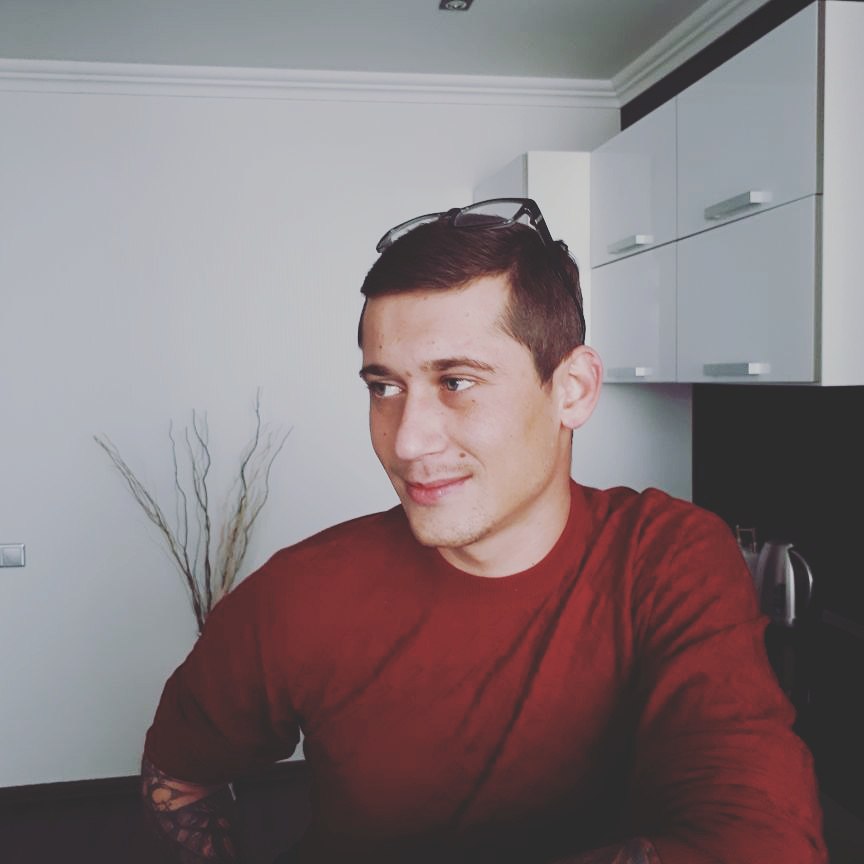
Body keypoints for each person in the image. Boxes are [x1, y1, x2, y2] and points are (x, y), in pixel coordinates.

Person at [142, 199, 827, 864]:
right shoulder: (301, 593)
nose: (406, 441)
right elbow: (180, 771)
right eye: (384, 387)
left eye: (457, 382)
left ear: (573, 389)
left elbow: (763, 841)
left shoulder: (666, 559)